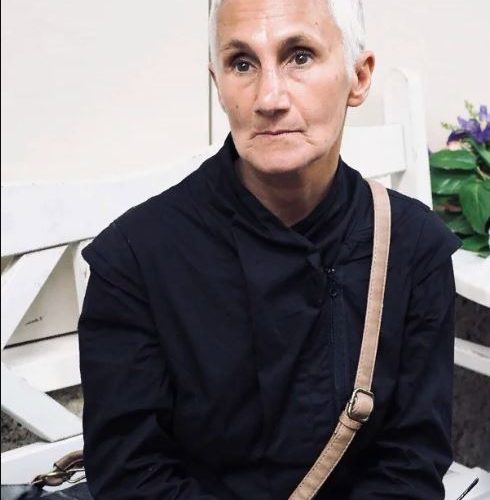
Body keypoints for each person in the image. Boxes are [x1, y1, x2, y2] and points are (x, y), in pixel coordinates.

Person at [78, 0, 461, 498]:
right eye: (242, 64)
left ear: (359, 77)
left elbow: (411, 463)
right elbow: (132, 475)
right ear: (218, 84)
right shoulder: (134, 261)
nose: (269, 98)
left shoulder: (413, 248)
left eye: (299, 56)